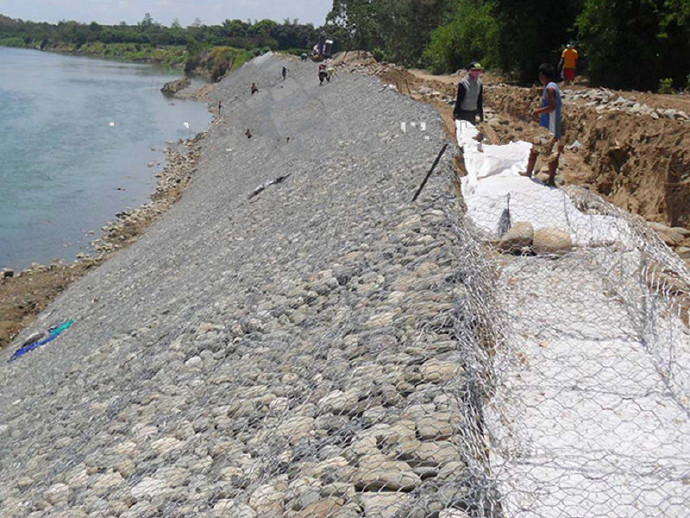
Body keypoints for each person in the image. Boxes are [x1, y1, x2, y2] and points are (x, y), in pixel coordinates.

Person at [532, 63, 561, 139]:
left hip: (551, 123)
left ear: (542, 75)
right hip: (549, 122)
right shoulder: (551, 86)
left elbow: (552, 107)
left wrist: (537, 111)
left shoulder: (550, 88)